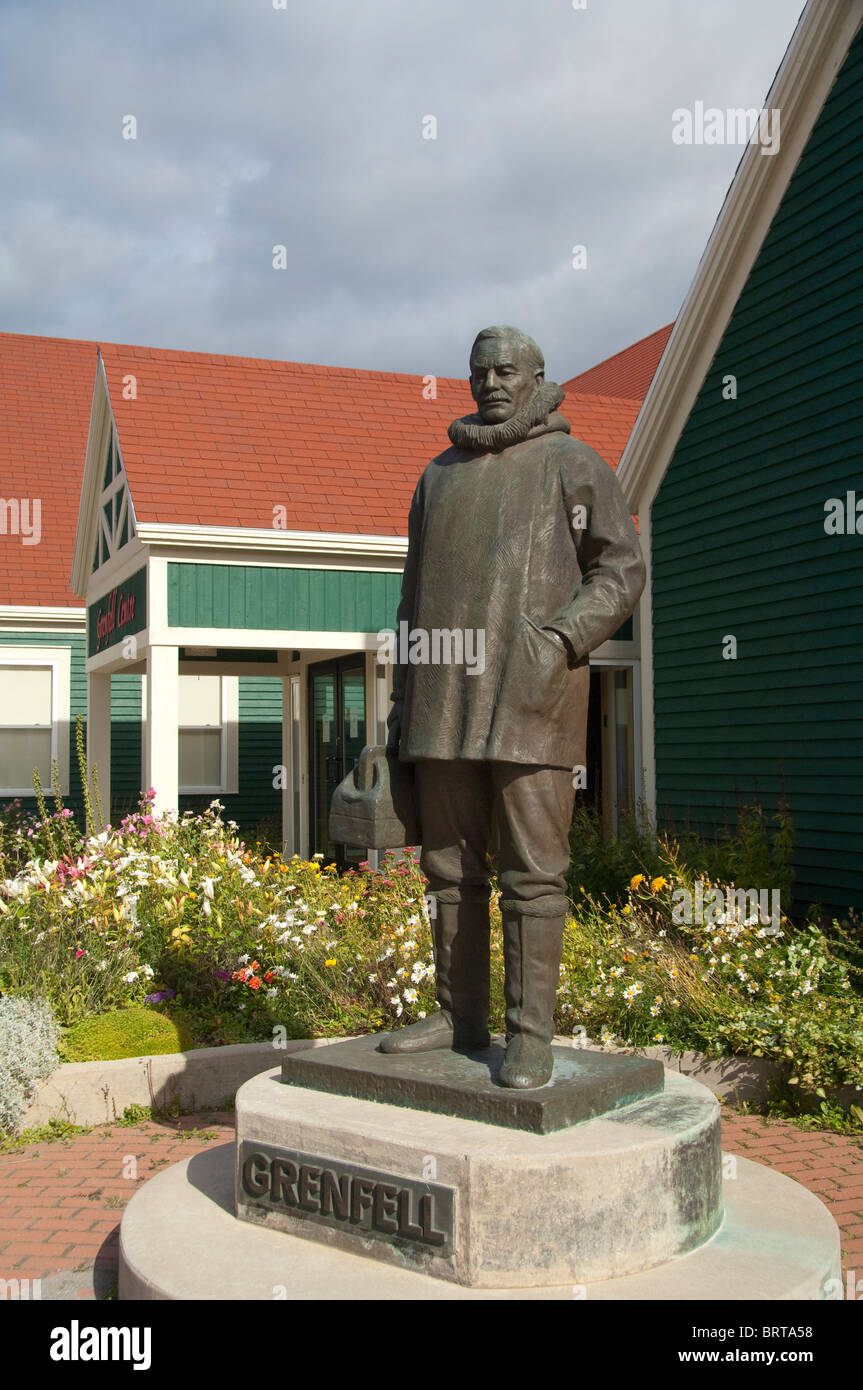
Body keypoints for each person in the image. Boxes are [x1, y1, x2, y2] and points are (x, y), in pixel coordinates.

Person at [382, 325, 645, 1087]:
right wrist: (403, 699)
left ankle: (529, 1035)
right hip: (440, 700)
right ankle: (456, 1016)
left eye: (506, 369)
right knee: (447, 870)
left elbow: (620, 570)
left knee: (532, 874)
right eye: (478, 370)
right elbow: (410, 598)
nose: (490, 380)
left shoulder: (569, 462)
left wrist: (559, 637)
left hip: (532, 700)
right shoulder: (436, 477)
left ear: (535, 377)